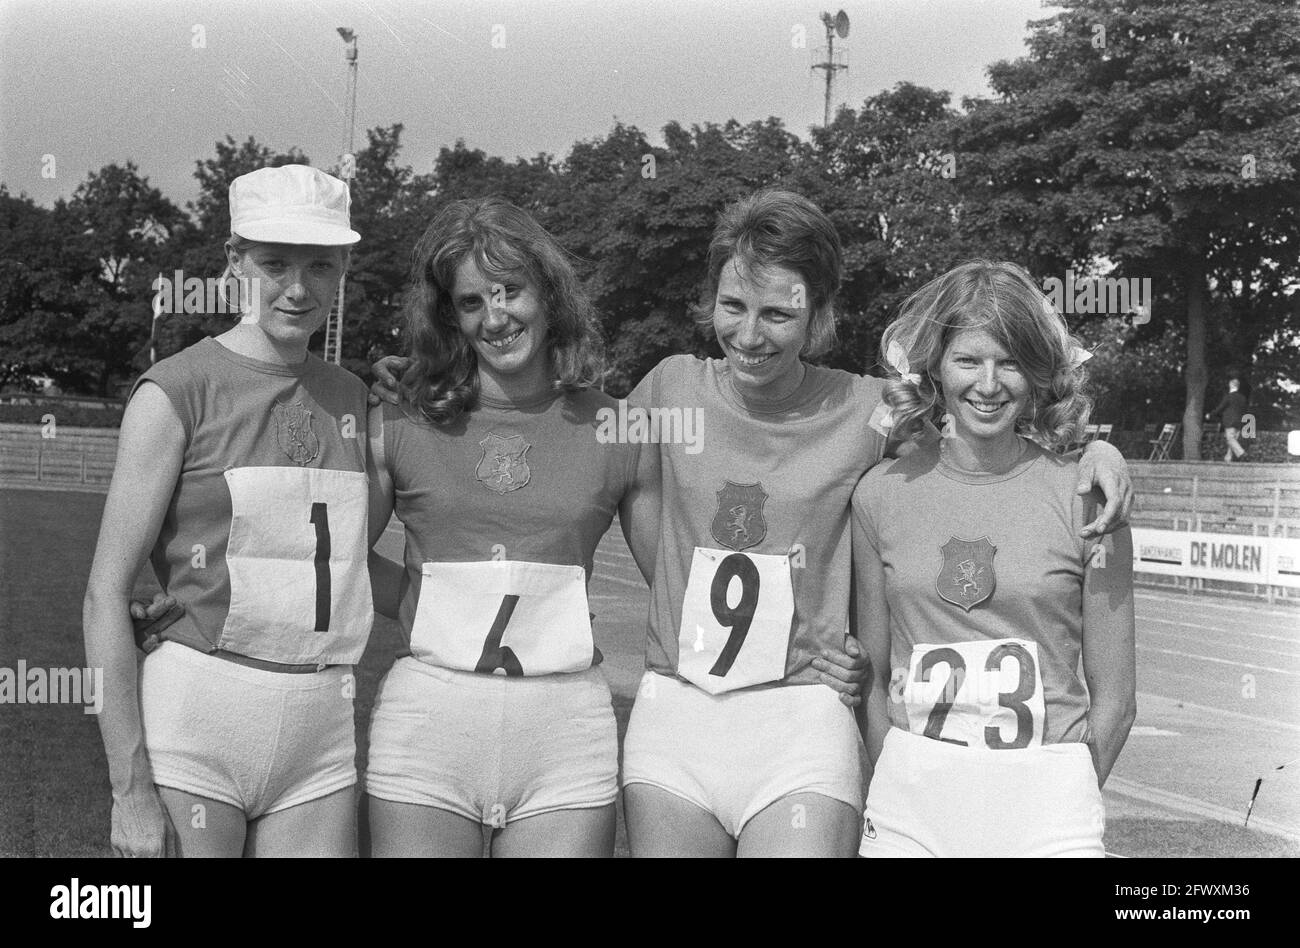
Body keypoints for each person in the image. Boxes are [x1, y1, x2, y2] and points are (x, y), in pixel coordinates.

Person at [618, 193, 1134, 857]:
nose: (749, 335)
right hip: (680, 711)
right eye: (733, 307)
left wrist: (1094, 450)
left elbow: (975, 440)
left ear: (819, 317)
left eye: (778, 313)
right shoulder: (668, 389)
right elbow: (597, 466)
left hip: (804, 718)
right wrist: (669, 578)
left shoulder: (872, 410)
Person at [363, 198, 866, 857]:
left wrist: (842, 646)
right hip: (430, 722)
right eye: (470, 301)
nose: (496, 317)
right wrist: (421, 600)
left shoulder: (618, 423)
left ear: (546, 292)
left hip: (571, 735)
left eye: (511, 290)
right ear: (446, 313)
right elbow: (336, 561)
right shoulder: (402, 418)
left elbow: (684, 580)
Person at [84, 165, 373, 857]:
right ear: (233, 261)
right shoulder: (176, 390)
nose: (297, 289)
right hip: (197, 726)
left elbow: (337, 558)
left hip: (321, 735)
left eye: (320, 266)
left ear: (342, 271)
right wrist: (130, 792)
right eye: (274, 263)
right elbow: (104, 595)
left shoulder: (353, 395)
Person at [852, 260, 1136, 858]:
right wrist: (895, 775)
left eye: (1009, 362)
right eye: (968, 360)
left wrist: (1063, 795)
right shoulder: (880, 492)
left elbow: (1116, 698)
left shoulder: (1089, 493)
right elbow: (872, 677)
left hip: (1049, 801)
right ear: (933, 368)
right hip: (913, 800)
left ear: (1036, 373)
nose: (989, 384)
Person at [1208, 376, 1249, 462]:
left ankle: (1242, 453)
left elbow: (1220, 408)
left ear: (1231, 385)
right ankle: (1228, 459)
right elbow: (1245, 410)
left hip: (1230, 422)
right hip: (1240, 422)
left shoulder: (1228, 396)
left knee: (1230, 439)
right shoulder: (1243, 398)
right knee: (1232, 442)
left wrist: (1210, 415)